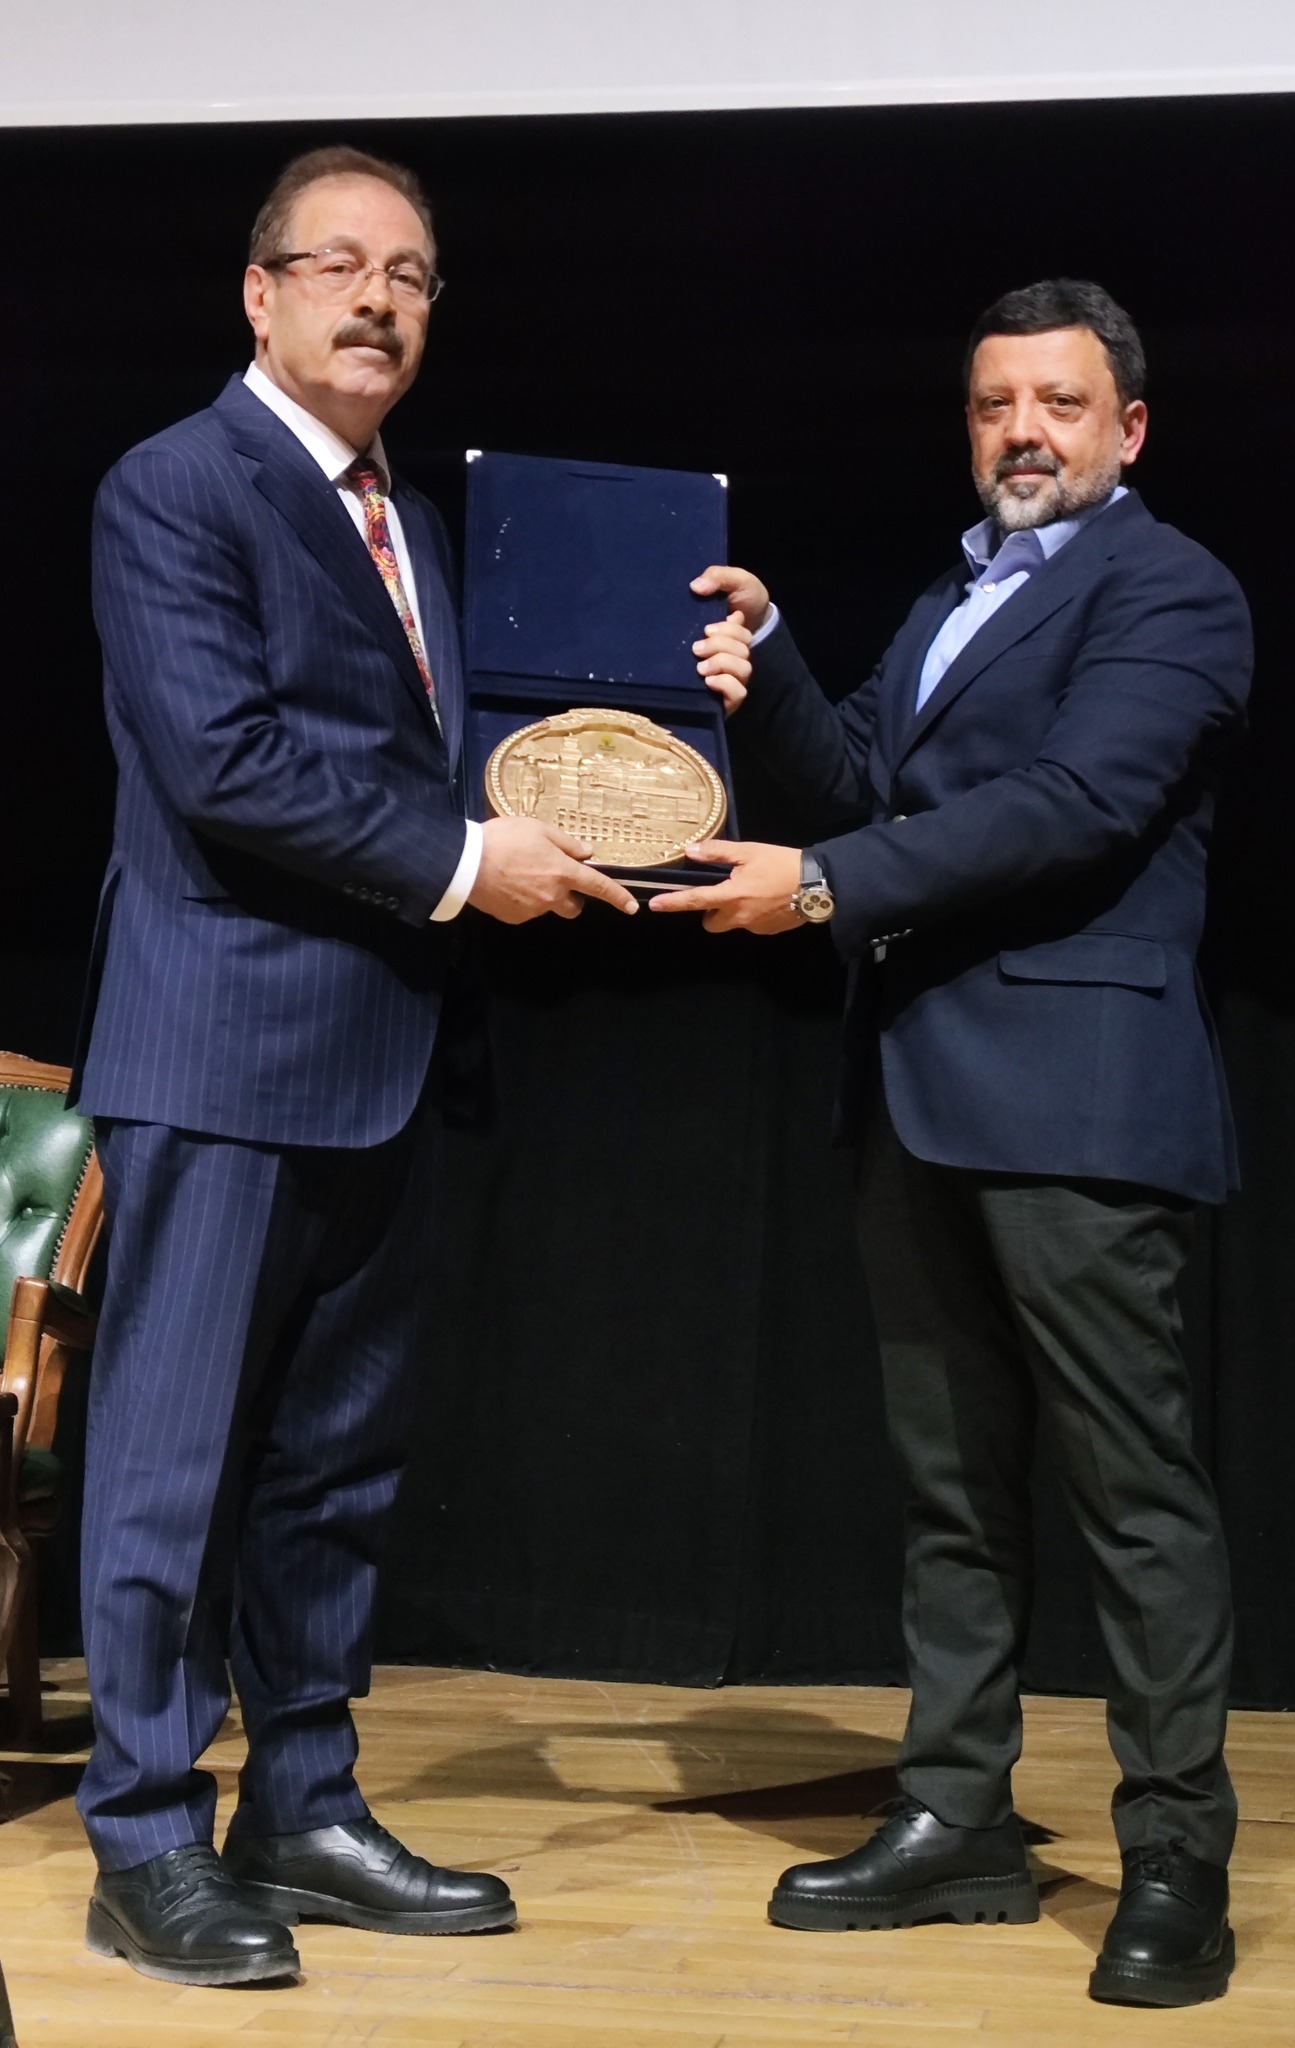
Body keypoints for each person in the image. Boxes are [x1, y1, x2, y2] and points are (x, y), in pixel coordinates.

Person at [71, 144, 750, 1988]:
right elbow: (221, 762)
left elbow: (472, 757)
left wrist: (687, 697)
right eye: (340, 265)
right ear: (259, 293)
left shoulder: (420, 527)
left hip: (383, 1051)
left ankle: (303, 1806)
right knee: (168, 1471)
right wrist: (465, 864)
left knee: (335, 1473)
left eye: (412, 276)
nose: (377, 300)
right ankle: (146, 1839)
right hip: (222, 1051)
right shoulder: (176, 486)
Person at [663, 279, 1251, 2010]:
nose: (1023, 433)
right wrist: (769, 665)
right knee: (952, 1491)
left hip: (1078, 1100)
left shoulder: (1173, 588)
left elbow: (1077, 805)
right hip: (919, 1090)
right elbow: (864, 779)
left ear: (1128, 426)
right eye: (997, 405)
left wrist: (821, 890)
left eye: (1059, 404)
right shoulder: (953, 596)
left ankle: (1177, 1854)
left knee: (1133, 1494)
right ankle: (956, 1815)